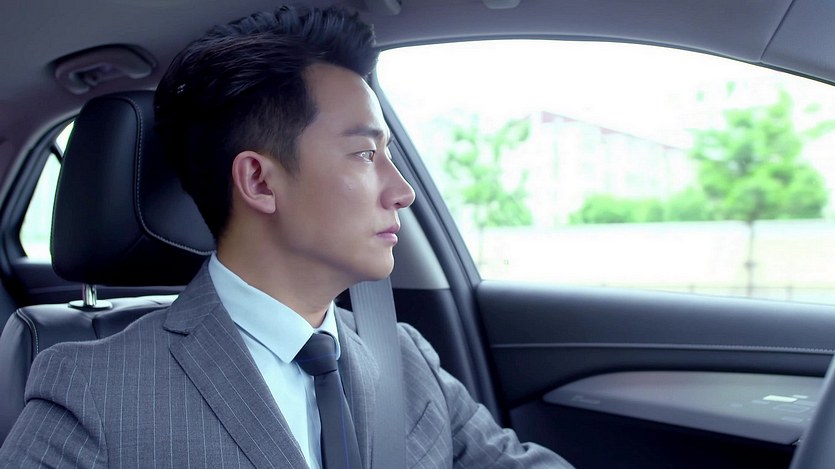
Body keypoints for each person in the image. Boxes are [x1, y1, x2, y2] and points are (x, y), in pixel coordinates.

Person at [0, 6, 573, 468]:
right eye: (365, 154)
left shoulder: (403, 355)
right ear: (259, 181)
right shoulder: (91, 390)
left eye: (389, 155)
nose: (403, 192)